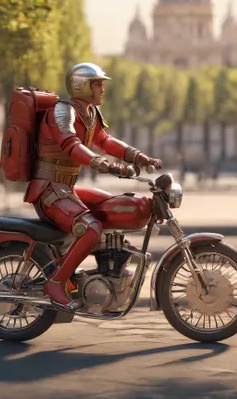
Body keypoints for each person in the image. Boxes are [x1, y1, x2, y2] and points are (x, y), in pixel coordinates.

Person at [23, 62, 162, 312]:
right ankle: (56, 283)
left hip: (66, 188)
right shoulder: (62, 112)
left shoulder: (88, 113)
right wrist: (103, 164)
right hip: (49, 190)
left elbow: (105, 141)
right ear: (81, 85)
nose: (102, 89)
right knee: (91, 228)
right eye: (98, 84)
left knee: (110, 205)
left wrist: (139, 157)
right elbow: (70, 144)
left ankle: (101, 271)